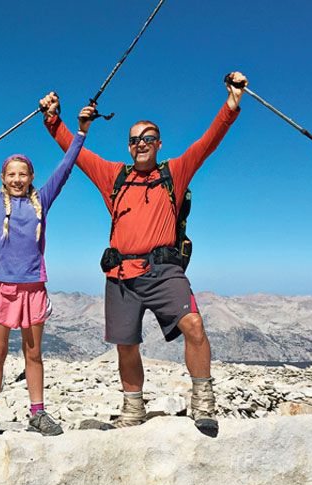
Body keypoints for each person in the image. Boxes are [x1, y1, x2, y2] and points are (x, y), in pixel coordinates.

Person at [38, 72, 248, 435]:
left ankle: (202, 402)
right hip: (120, 275)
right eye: (134, 140)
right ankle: (133, 409)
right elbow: (78, 154)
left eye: (148, 138)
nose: (140, 144)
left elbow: (208, 142)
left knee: (194, 326)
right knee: (126, 345)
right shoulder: (114, 176)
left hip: (164, 271)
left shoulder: (175, 173)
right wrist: (53, 120)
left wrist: (232, 103)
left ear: (159, 143)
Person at [0, 73, 94, 440]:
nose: (17, 179)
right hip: (2, 288)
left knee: (34, 356)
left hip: (33, 289)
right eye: (11, 174)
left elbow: (64, 170)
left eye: (23, 174)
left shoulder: (41, 201)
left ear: (31, 177)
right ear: (2, 177)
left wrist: (80, 133)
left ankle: (38, 412)